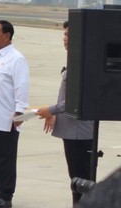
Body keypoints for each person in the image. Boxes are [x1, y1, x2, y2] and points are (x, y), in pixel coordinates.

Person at [36, 21, 94, 206]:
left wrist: (50, 110)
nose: (65, 39)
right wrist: (55, 114)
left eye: (69, 35)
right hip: (72, 130)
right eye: (64, 35)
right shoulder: (76, 58)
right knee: (76, 179)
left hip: (79, 132)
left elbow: (76, 99)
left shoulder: (83, 61)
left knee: (81, 181)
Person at [0, 20, 29, 208]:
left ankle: (6, 195)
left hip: (6, 118)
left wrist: (19, 114)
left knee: (5, 159)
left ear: (7, 35)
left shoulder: (16, 58)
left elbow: (22, 87)